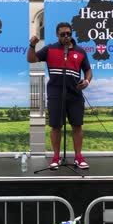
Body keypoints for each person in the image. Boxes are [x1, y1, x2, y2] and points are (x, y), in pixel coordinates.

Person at [27, 22, 93, 169]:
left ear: (71, 34)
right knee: (56, 126)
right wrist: (32, 46)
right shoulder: (49, 49)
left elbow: (88, 70)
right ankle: (56, 158)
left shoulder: (80, 51)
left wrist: (87, 81)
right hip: (56, 95)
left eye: (69, 34)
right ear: (57, 35)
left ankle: (78, 157)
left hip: (75, 95)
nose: (66, 37)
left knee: (77, 126)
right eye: (63, 34)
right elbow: (31, 59)